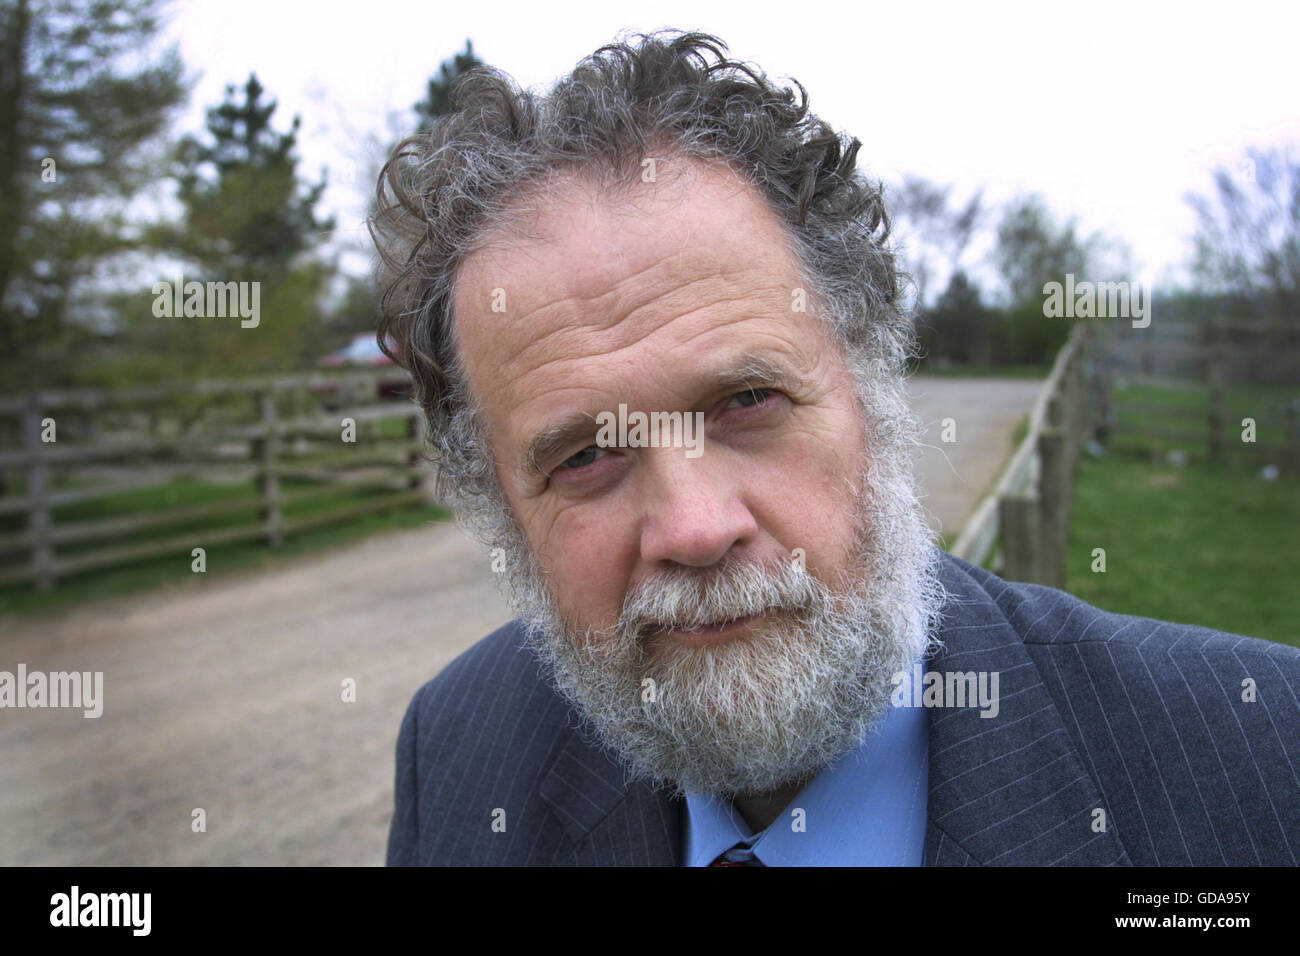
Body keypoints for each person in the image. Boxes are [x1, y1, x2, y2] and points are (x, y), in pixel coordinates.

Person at [371, 30, 1299, 866]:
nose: (695, 530)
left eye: (746, 401)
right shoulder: (455, 752)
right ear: (499, 501)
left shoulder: (1260, 766)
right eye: (584, 458)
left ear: (871, 386)